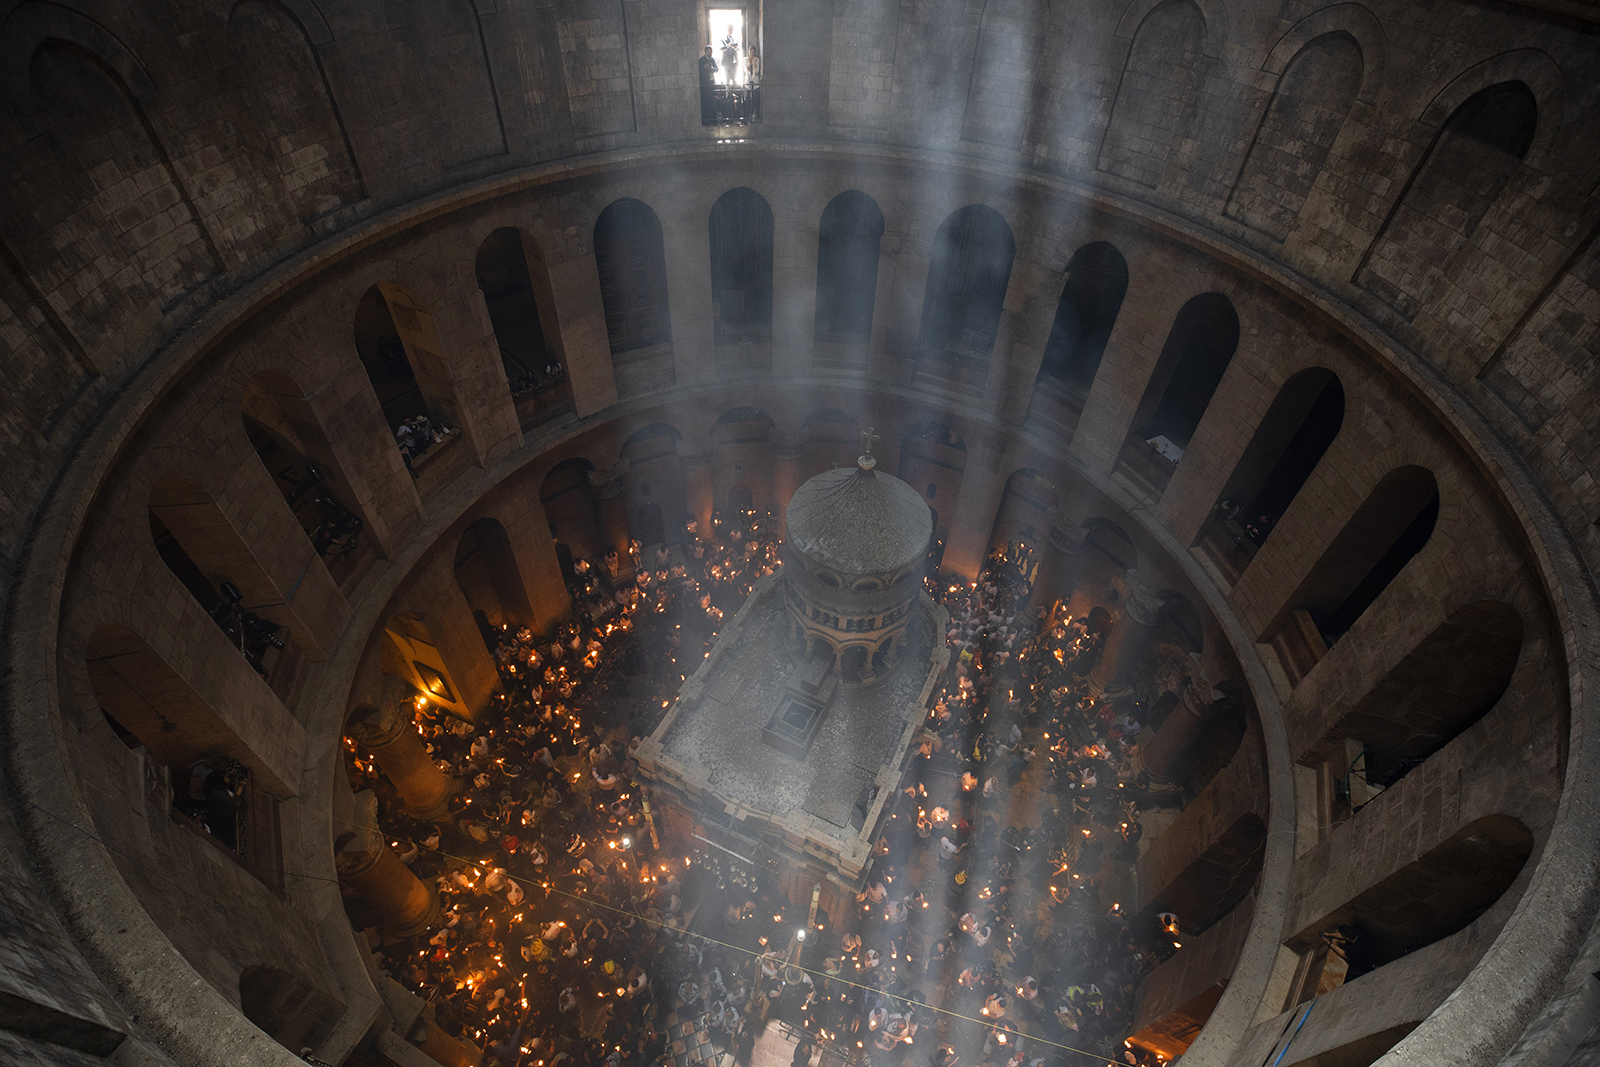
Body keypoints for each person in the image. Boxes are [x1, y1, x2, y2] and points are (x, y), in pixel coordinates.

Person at [698, 46, 718, 123]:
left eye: (711, 53)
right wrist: (704, 68)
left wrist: (711, 69)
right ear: (706, 52)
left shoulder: (712, 60)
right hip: (704, 83)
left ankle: (713, 118)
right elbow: (698, 71)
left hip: (711, 83)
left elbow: (716, 69)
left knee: (712, 101)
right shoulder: (701, 60)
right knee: (705, 101)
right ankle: (706, 119)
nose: (710, 54)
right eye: (709, 53)